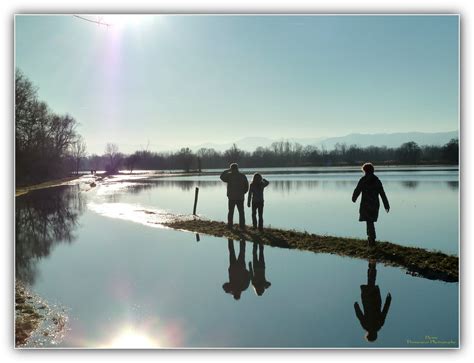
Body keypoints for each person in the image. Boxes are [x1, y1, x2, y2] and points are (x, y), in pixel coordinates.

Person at [352, 163, 390, 246]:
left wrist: (354, 198)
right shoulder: (377, 180)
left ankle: (371, 238)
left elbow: (357, 190)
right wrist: (386, 205)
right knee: (370, 221)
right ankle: (371, 238)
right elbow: (382, 193)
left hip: (365, 204)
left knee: (369, 221)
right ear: (372, 170)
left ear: (365, 170)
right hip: (374, 204)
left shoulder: (363, 179)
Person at [354, 260, 392, 342]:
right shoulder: (367, 326)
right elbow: (359, 315)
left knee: (371, 282)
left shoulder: (378, 325)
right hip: (368, 300)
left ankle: (372, 265)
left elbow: (385, 311)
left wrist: (388, 300)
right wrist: (356, 306)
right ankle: (371, 265)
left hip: (374, 300)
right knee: (371, 283)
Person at [220, 163, 249, 229]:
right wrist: (243, 192)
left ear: (231, 169)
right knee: (241, 212)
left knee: (231, 212)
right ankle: (242, 226)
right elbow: (247, 185)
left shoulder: (229, 175)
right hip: (240, 197)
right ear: (237, 168)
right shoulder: (242, 175)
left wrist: (227, 170)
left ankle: (230, 225)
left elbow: (221, 177)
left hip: (232, 197)